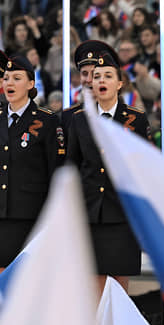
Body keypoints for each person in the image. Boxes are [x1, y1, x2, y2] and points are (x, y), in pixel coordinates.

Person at [67, 49, 151, 292]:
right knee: (93, 281)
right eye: (97, 76)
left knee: (118, 283)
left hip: (121, 212)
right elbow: (72, 166)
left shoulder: (135, 120)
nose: (101, 81)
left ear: (119, 83)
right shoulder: (80, 119)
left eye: (107, 76)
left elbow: (143, 166)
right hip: (90, 211)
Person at [0, 52, 65, 270]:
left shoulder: (46, 121)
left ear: (30, 83)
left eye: (17, 78)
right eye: (7, 78)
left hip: (30, 218)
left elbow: (56, 172)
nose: (10, 83)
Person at [61, 40, 114, 134]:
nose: (89, 80)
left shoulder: (130, 118)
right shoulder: (69, 116)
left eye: (95, 74)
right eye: (84, 74)